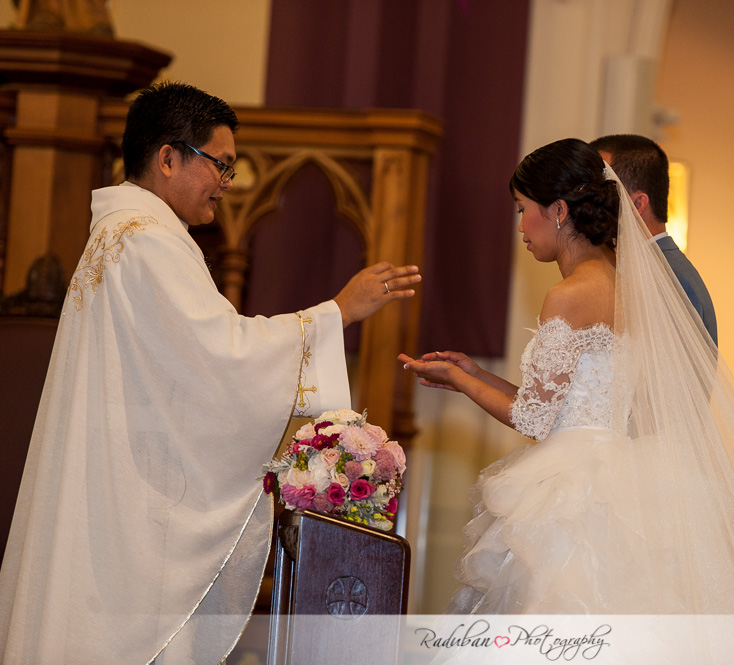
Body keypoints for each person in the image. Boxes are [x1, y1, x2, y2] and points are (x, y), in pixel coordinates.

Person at [400, 138, 734, 663]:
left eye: (522, 211)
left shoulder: (569, 295)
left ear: (557, 211)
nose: (520, 228)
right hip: (623, 470)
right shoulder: (629, 287)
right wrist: (474, 371)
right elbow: (570, 403)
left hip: (577, 486)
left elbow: (534, 417)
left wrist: (461, 385)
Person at [0, 82, 420, 665]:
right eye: (219, 164)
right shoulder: (148, 242)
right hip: (137, 501)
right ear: (168, 157)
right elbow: (222, 356)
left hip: (124, 481)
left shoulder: (123, 234)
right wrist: (337, 313)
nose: (227, 182)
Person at [590, 133, 718, 346]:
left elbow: (673, 376)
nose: (586, 203)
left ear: (638, 204)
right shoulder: (643, 266)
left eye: (599, 190)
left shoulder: (673, 279)